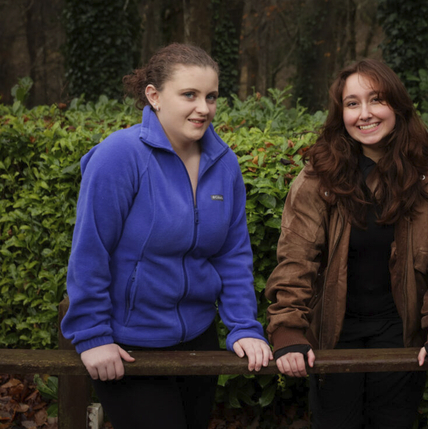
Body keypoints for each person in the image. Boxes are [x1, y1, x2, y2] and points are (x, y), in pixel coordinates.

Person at [60, 43, 272, 429]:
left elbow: (233, 253)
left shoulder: (224, 163)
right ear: (154, 96)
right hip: (129, 346)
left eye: (211, 97)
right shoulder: (119, 156)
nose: (203, 108)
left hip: (198, 342)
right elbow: (90, 251)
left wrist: (243, 325)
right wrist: (92, 336)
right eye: (189, 94)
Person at [265, 58, 428, 428]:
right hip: (335, 329)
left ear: (397, 105)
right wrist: (287, 328)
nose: (365, 114)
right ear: (340, 112)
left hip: (401, 330)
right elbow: (296, 255)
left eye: (376, 100)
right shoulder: (320, 173)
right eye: (352, 103)